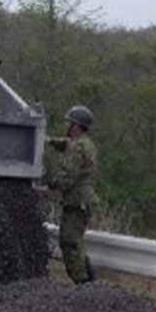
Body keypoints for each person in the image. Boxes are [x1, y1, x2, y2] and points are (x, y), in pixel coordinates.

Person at [45, 105, 98, 284]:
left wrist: (49, 187)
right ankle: (88, 281)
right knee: (75, 241)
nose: (64, 124)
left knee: (69, 242)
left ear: (75, 126)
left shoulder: (77, 147)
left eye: (67, 122)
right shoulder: (84, 143)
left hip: (77, 202)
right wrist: (50, 141)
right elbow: (66, 144)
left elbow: (68, 175)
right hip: (82, 201)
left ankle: (83, 282)